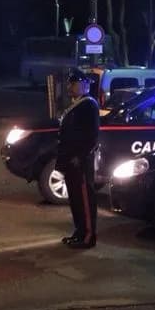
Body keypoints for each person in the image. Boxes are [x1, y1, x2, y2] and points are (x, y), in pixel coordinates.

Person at [56, 68, 100, 249]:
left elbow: (91, 136)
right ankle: (79, 231)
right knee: (75, 200)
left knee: (84, 200)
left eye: (73, 84)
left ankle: (88, 236)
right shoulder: (76, 105)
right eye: (69, 83)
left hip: (80, 162)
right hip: (70, 161)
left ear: (84, 84)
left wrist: (79, 156)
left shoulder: (89, 105)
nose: (69, 87)